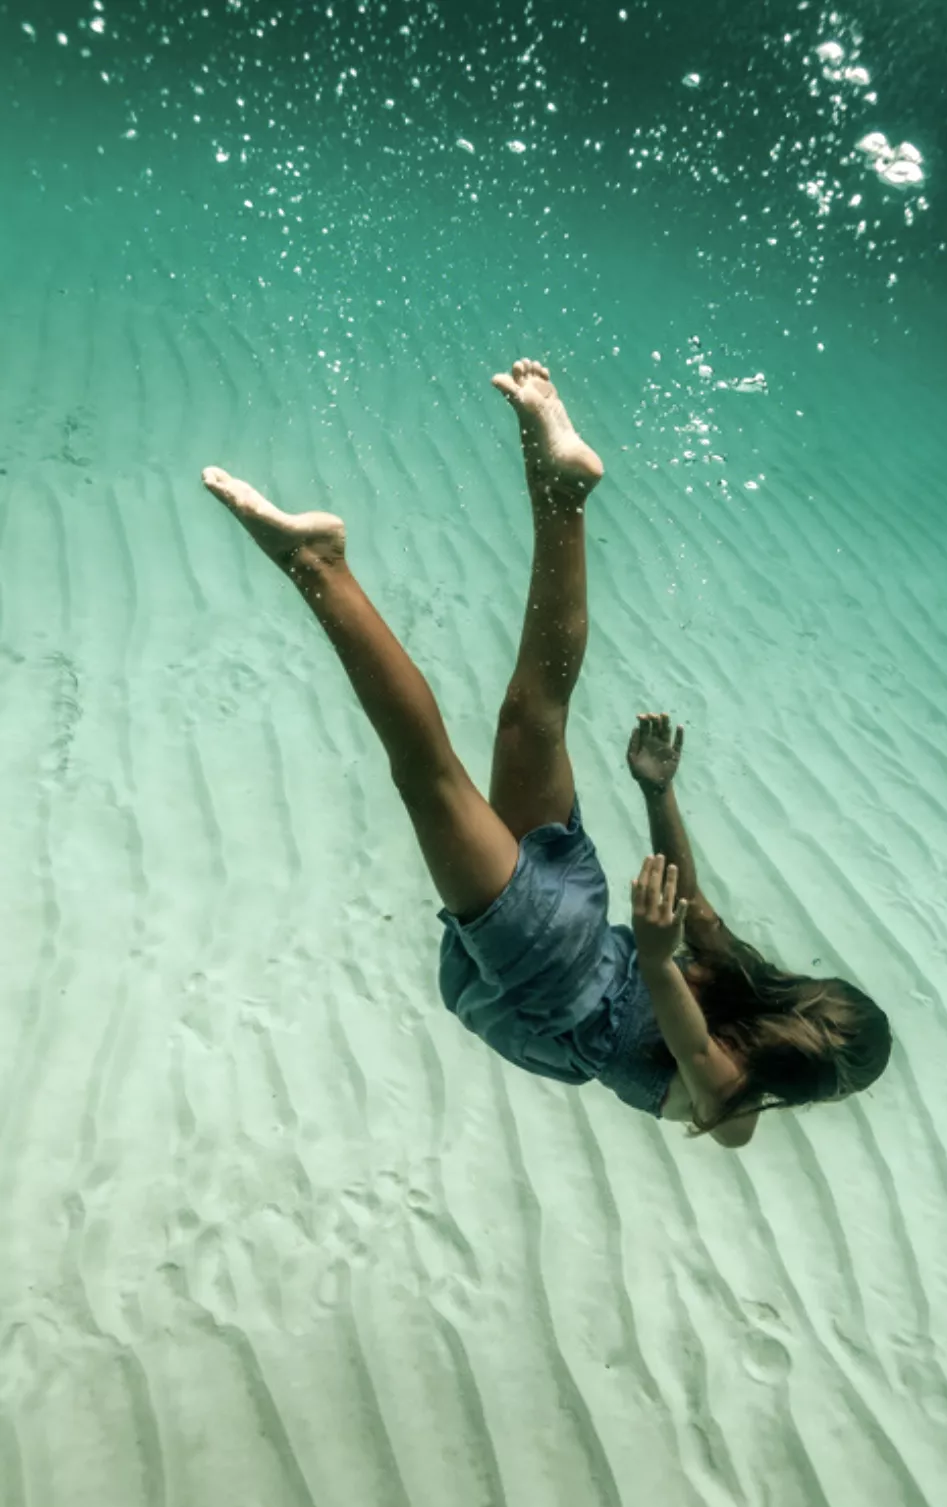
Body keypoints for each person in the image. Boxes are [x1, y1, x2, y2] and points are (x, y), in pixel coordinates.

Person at [202, 358, 891, 1150]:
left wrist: (657, 798)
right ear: (820, 1085)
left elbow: (692, 907)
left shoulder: (734, 982)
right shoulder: (732, 1114)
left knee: (534, 718)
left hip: (583, 909)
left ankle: (561, 495)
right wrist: (660, 930)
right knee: (428, 775)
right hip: (554, 966)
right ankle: (318, 565)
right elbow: (689, 1035)